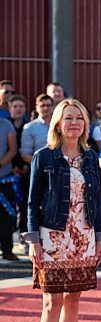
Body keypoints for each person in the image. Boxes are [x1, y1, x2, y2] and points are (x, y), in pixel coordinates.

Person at [24, 99, 101, 322]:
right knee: (52, 301)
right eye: (68, 118)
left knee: (74, 298)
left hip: (84, 238)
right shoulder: (44, 156)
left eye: (79, 118)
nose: (74, 122)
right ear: (58, 124)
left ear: (86, 125)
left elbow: (98, 201)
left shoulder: (90, 157)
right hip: (52, 239)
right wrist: (34, 242)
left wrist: (99, 240)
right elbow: (32, 201)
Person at [8, 95, 30, 250]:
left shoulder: (28, 126)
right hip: (7, 171)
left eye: (21, 106)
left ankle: (24, 235)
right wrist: (12, 167)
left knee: (25, 205)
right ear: (10, 108)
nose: (18, 109)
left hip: (27, 170)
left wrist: (25, 166)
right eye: (15, 106)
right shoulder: (5, 125)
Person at [0, 115, 19, 260]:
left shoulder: (6, 124)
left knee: (6, 217)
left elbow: (13, 149)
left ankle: (7, 249)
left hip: (4, 177)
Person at [20, 94, 54, 164]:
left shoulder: (60, 125)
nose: (46, 108)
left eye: (48, 105)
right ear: (36, 107)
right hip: (39, 168)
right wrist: (42, 166)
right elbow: (25, 154)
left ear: (53, 107)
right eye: (42, 106)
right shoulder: (29, 127)